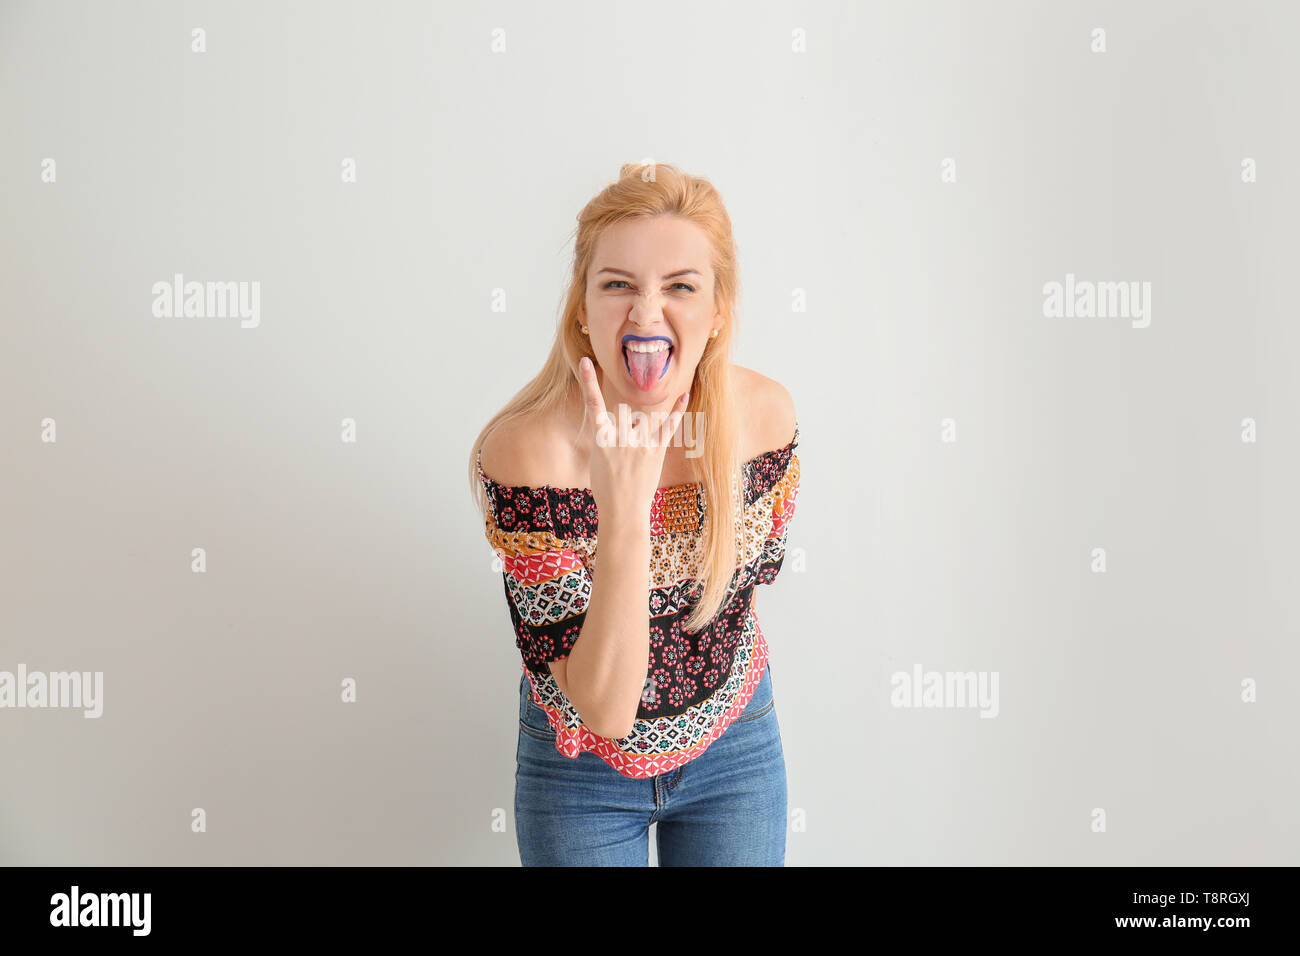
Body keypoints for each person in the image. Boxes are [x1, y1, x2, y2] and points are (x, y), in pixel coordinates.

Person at [468, 162, 801, 866]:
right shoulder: (531, 456)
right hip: (581, 770)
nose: (646, 313)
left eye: (680, 286)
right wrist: (622, 510)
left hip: (733, 747)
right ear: (582, 308)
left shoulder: (764, 421)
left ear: (718, 312)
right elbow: (608, 711)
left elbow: (754, 576)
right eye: (617, 284)